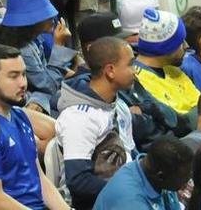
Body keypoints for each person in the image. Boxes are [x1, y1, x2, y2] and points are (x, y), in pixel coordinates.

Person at [0, 45, 70, 210]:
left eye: (24, 74)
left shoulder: (21, 117)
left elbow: (39, 178)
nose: (23, 83)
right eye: (13, 76)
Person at [54, 36, 138, 209]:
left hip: (122, 190)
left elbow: (130, 153)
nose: (135, 71)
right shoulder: (78, 118)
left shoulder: (119, 105)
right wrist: (129, 191)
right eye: (130, 64)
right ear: (110, 70)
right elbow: (79, 181)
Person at [95, 136, 193, 209]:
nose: (188, 180)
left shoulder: (157, 171)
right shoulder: (131, 202)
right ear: (160, 176)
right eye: (184, 176)